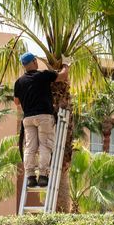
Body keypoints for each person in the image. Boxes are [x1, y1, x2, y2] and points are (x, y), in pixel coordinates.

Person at [13, 52, 69, 188]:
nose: (37, 63)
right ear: (33, 62)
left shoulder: (19, 82)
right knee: (45, 145)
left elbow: (16, 102)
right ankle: (43, 176)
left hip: (28, 119)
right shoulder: (42, 75)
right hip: (44, 116)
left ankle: (30, 177)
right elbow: (63, 76)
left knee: (30, 148)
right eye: (35, 60)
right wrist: (66, 64)